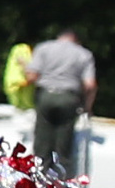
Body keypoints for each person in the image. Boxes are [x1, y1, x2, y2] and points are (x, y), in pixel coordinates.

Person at [25, 27, 96, 173]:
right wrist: (87, 107)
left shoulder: (43, 48)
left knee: (41, 145)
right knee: (63, 148)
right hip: (69, 98)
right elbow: (90, 85)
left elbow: (32, 76)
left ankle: (38, 180)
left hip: (46, 96)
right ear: (76, 39)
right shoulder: (83, 54)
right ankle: (63, 184)